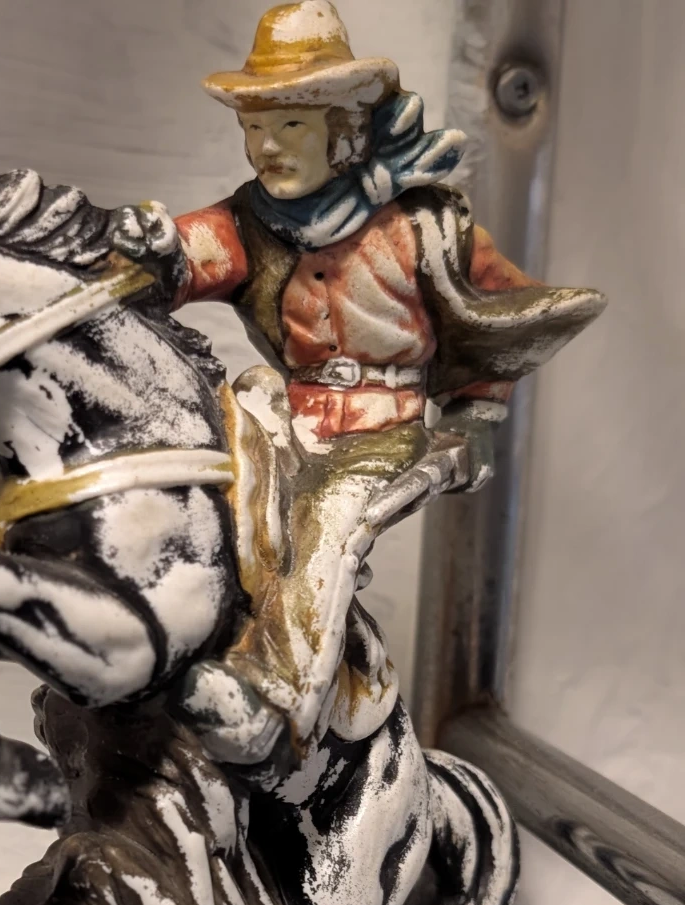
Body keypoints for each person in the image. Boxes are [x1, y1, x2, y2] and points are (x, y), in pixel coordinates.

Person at [114, 1, 605, 772]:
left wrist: (477, 414)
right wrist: (141, 247)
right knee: (201, 487)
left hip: (382, 434)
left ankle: (276, 698)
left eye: (290, 125)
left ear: (343, 129)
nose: (267, 146)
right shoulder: (251, 222)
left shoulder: (425, 227)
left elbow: (505, 316)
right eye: (254, 127)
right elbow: (184, 254)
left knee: (330, 524)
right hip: (284, 417)